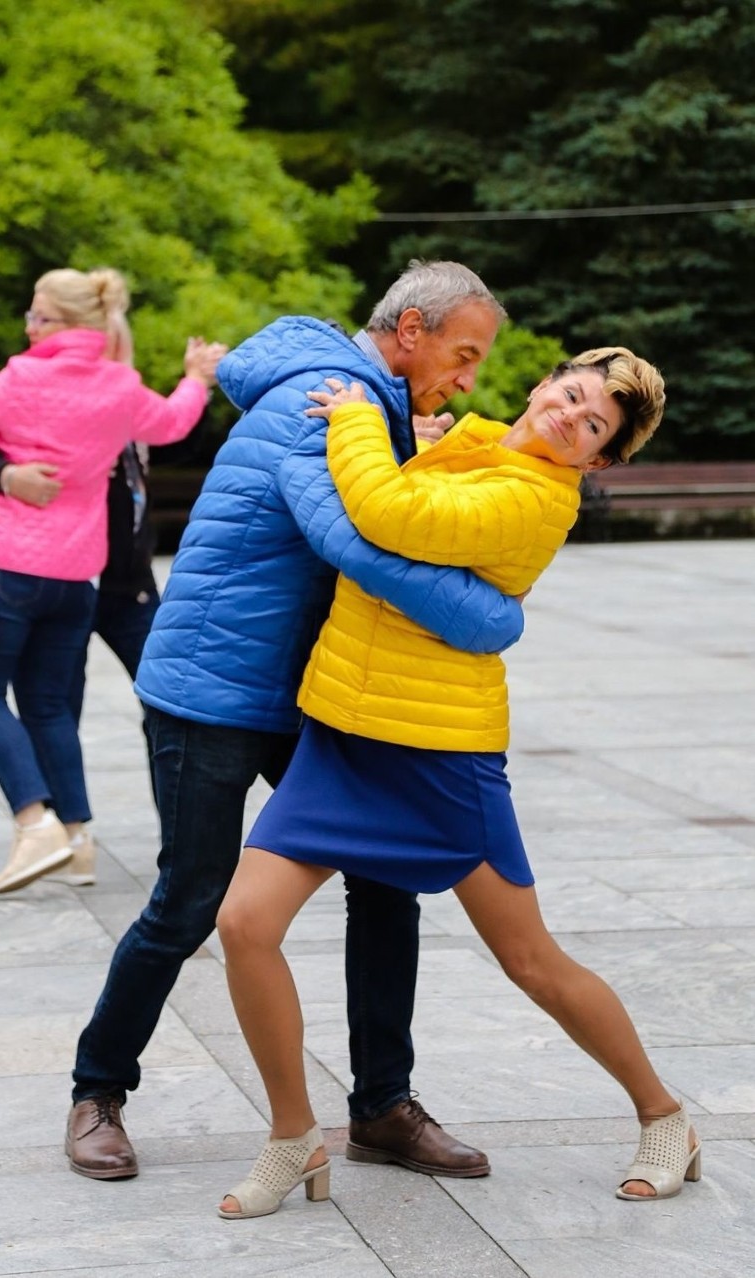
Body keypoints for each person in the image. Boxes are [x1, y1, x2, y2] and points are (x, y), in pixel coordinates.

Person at [65, 259, 527, 1184]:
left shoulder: (367, 402)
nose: (470, 377)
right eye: (463, 354)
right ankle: (97, 1092)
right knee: (192, 894)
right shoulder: (325, 400)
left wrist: (415, 447)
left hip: (301, 692)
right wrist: (489, 613)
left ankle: (383, 1109)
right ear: (410, 334)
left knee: (385, 878)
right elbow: (359, 535)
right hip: (214, 687)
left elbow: (382, 498)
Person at [215, 347, 702, 1218]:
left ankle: (665, 1118)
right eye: (574, 393)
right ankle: (294, 1138)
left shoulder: (530, 499)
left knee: (530, 960)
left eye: (594, 425)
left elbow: (392, 513)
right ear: (544, 383)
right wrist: (409, 438)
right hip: (344, 730)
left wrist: (361, 423)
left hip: (438, 753)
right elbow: (415, 495)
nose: (571, 416)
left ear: (597, 459)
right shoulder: (474, 446)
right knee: (244, 924)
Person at [0, 266, 225, 895]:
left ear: (62, 322)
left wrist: (13, 453)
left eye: (36, 315)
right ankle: (76, 842)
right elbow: (174, 423)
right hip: (77, 576)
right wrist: (197, 379)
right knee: (46, 707)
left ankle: (32, 820)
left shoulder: (23, 377)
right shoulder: (120, 387)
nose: (27, 324)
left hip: (4, 565)